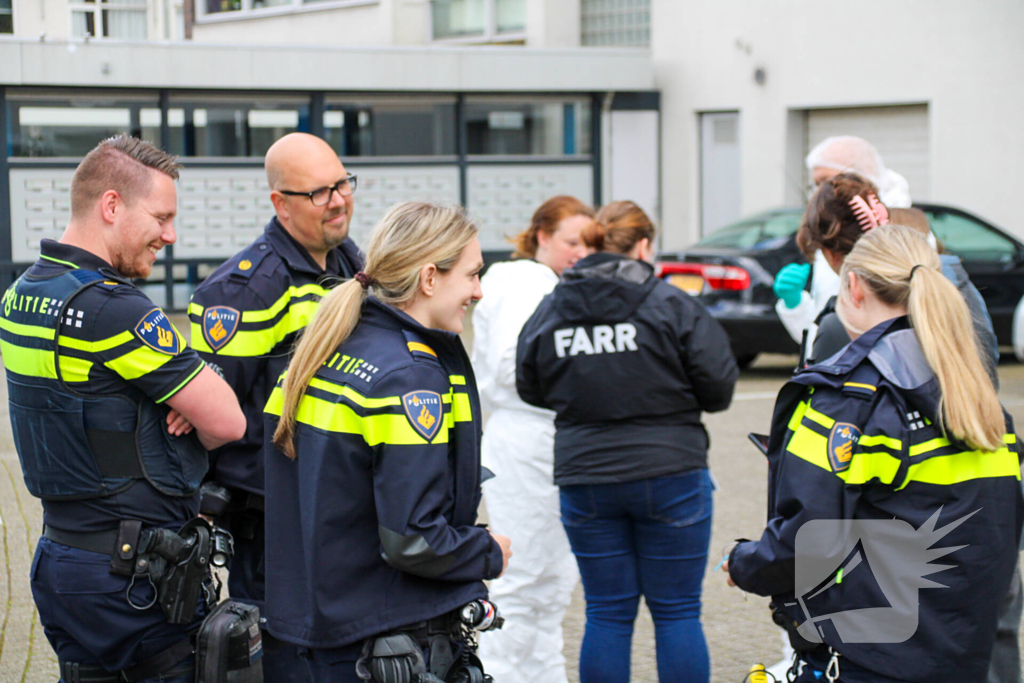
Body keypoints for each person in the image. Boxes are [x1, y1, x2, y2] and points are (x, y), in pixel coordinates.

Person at [724, 224, 1024, 682]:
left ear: (854, 285)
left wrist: (743, 562)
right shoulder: (977, 399)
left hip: (867, 659)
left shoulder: (849, 400)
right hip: (963, 655)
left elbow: (805, 545)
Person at [0, 135, 246, 682]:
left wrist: (166, 398)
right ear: (111, 206)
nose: (170, 235)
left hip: (63, 563)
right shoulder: (114, 309)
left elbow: (80, 401)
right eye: (160, 217)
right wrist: (180, 405)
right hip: (133, 579)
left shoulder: (21, 295)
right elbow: (227, 420)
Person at [263, 201, 513, 683]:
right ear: (429, 278)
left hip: (317, 628)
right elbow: (414, 539)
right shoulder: (409, 377)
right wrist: (489, 551)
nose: (478, 291)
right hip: (385, 635)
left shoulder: (330, 347)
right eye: (472, 275)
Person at [516, 201, 739, 683]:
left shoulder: (553, 305)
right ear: (643, 247)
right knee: (677, 611)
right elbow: (719, 387)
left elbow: (529, 385)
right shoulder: (671, 303)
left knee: (606, 613)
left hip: (586, 479)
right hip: (671, 474)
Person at [187, 132, 363, 681]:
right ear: (279, 203)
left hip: (338, 503)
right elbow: (208, 419)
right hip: (274, 520)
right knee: (288, 658)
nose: (337, 200)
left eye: (342, 184)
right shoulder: (244, 291)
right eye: (318, 193)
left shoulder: (353, 263)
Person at [471, 195, 592, 683]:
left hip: (539, 439)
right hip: (526, 441)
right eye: (571, 242)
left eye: (589, 243)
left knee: (551, 581)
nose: (581, 252)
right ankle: (499, 672)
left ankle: (541, 672)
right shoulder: (527, 283)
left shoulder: (543, 282)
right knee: (525, 579)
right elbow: (511, 368)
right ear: (541, 236)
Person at [797, 173, 998, 381]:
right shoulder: (943, 275)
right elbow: (987, 368)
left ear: (831, 254)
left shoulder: (840, 326)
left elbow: (823, 407)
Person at [775, 136, 914, 362]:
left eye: (826, 181)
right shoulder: (835, 229)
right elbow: (820, 333)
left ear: (859, 175)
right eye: (816, 184)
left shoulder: (908, 233)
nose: (820, 192)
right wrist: (796, 305)